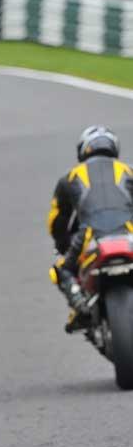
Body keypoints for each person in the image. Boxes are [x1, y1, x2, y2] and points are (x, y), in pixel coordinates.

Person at [48, 126, 133, 333]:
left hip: (90, 235)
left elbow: (57, 221)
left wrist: (62, 245)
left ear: (83, 149)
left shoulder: (69, 178)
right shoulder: (129, 170)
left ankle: (79, 305)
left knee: (62, 269)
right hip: (128, 232)